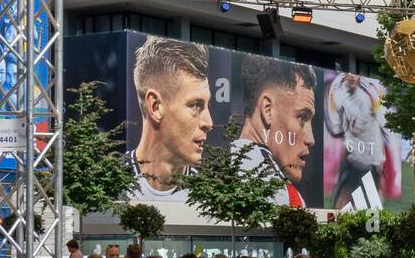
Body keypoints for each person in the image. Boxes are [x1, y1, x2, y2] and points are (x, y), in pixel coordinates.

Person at [129, 37, 213, 200]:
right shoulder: (110, 184)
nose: (208, 123)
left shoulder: (212, 194)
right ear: (155, 106)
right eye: (195, 105)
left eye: (208, 105)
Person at [231, 56, 318, 207]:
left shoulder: (229, 168)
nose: (311, 139)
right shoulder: (272, 189)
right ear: (268, 110)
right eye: (302, 117)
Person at [326, 73, 387, 208]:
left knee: (373, 202)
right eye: (349, 74)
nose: (353, 77)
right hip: (354, 157)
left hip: (372, 158)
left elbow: (383, 121)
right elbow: (336, 128)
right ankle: (336, 223)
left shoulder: (370, 93)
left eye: (355, 74)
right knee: (344, 195)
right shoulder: (338, 94)